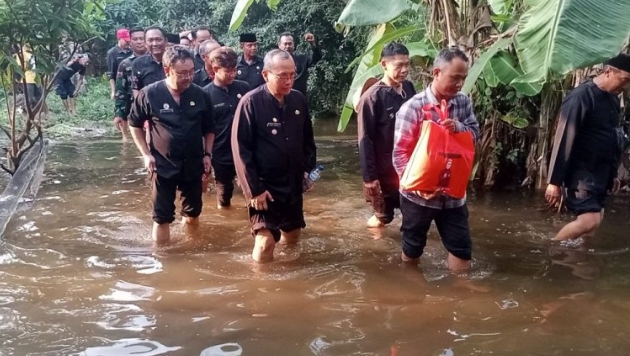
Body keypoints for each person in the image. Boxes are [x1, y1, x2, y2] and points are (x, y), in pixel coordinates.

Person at [393, 47, 479, 271]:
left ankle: (460, 296)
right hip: (418, 197)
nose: (459, 84)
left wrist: (459, 128)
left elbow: (475, 133)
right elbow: (400, 154)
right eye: (455, 78)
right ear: (437, 72)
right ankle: (411, 291)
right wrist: (417, 186)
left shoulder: (463, 103)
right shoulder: (413, 108)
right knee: (412, 248)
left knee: (461, 248)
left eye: (463, 79)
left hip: (453, 194)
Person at [232, 49, 317, 263]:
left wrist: (308, 170)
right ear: (265, 75)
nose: (289, 81)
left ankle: (289, 278)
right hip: (264, 188)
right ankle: (261, 289)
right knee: (265, 242)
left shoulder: (298, 101)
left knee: (293, 235)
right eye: (282, 76)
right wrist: (254, 190)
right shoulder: (251, 103)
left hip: (292, 183)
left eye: (292, 75)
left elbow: (308, 140)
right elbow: (241, 150)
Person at [128, 46, 215, 244]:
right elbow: (134, 124)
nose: (188, 77)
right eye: (182, 73)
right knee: (161, 218)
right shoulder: (149, 94)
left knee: (192, 215)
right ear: (167, 70)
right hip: (162, 164)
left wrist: (207, 154)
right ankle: (162, 258)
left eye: (192, 72)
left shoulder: (201, 95)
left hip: (193, 164)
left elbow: (209, 128)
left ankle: (191, 250)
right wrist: (145, 154)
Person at [545, 53, 630, 244]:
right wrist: (554, 182)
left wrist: (613, 174)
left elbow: (613, 138)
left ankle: (579, 264)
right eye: (624, 80)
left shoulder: (613, 100)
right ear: (608, 72)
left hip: (600, 173)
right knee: (589, 220)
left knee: (596, 220)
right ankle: (552, 248)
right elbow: (564, 138)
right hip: (580, 174)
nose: (625, 87)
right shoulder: (581, 97)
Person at [357, 43, 416, 228]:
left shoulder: (409, 88)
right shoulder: (372, 98)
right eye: (398, 66)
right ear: (384, 64)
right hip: (383, 170)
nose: (404, 70)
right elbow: (364, 141)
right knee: (383, 217)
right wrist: (369, 178)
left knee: (413, 214)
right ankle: (374, 247)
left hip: (408, 168)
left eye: (407, 64)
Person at [202, 47, 250, 208]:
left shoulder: (244, 88)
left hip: (245, 150)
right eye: (228, 71)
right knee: (224, 194)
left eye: (235, 70)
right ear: (215, 69)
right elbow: (203, 128)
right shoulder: (205, 95)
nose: (233, 74)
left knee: (252, 189)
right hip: (220, 152)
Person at [114, 27, 147, 142]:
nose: (139, 42)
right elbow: (120, 90)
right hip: (133, 108)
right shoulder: (125, 64)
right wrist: (118, 113)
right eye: (135, 39)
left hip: (154, 110)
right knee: (130, 144)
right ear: (130, 42)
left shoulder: (158, 61)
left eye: (142, 38)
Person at [277, 32, 322, 97]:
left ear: (293, 44)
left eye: (290, 44)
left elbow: (317, 58)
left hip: (300, 99)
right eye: (285, 44)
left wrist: (313, 43)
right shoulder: (274, 63)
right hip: (281, 100)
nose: (287, 46)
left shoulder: (302, 59)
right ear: (279, 45)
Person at [132, 27, 168, 96]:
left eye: (158, 40)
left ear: (166, 41)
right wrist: (140, 105)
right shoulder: (138, 63)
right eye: (150, 40)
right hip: (148, 105)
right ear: (145, 43)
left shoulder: (175, 61)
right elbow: (136, 89)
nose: (155, 44)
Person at [106, 28, 132, 100]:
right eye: (126, 40)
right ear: (119, 39)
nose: (128, 42)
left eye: (128, 40)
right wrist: (113, 91)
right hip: (120, 87)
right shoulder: (112, 53)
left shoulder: (131, 52)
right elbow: (111, 74)